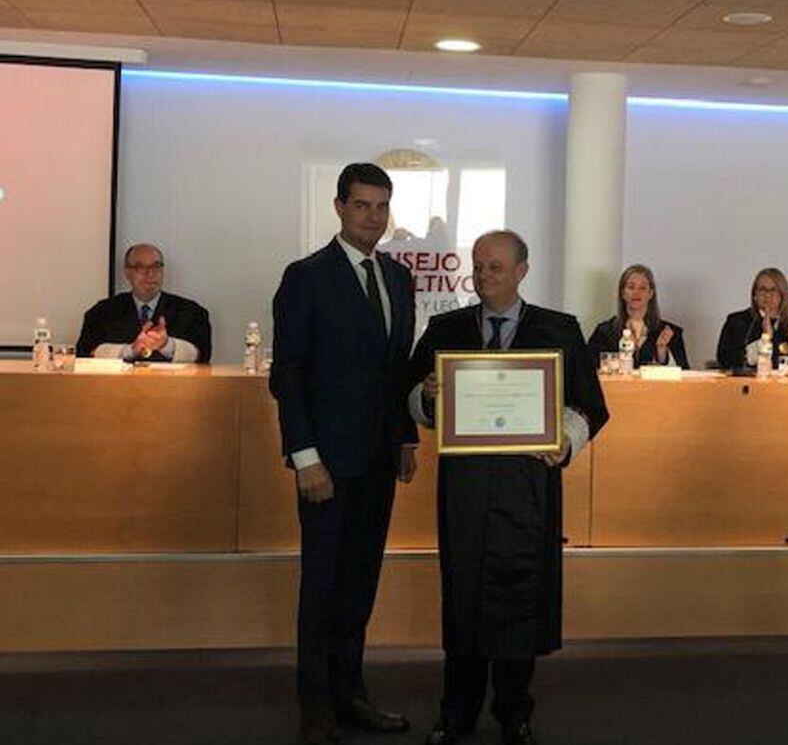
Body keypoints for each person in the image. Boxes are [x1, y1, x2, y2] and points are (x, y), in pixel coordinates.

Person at [407, 230, 608, 745]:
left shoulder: (559, 330)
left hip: (528, 485)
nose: (484, 276)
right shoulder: (445, 328)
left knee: (522, 596)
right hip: (466, 489)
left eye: (495, 267)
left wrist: (563, 441)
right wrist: (428, 397)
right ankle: (457, 712)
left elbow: (590, 405)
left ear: (522, 270)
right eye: (477, 266)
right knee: (465, 594)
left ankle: (515, 710)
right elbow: (409, 397)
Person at [269, 163, 418, 745]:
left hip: (379, 458)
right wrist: (305, 458)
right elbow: (289, 374)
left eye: (382, 207)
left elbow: (396, 369)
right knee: (322, 584)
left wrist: (406, 434)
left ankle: (351, 693)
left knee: (361, 583)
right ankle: (315, 703)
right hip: (325, 463)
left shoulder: (399, 279)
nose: (373, 217)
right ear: (338, 207)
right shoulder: (306, 276)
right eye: (362, 205)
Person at [75, 243, 211, 362]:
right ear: (127, 273)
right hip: (115, 389)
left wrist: (167, 345)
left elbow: (202, 356)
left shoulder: (191, 312)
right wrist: (130, 350)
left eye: (156, 266)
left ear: (163, 271)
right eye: (140, 267)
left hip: (173, 389)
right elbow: (85, 355)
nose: (150, 274)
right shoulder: (101, 312)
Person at [716, 267, 788, 373]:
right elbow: (725, 361)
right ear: (754, 295)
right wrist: (764, 340)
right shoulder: (737, 322)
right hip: (749, 387)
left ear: (783, 295)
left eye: (773, 290)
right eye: (762, 289)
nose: (767, 295)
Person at [587, 263, 690, 370]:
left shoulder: (670, 333)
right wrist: (623, 357)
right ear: (622, 293)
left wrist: (662, 352)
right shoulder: (604, 332)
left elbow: (685, 375)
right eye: (631, 287)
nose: (636, 292)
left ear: (650, 294)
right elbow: (587, 371)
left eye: (643, 288)